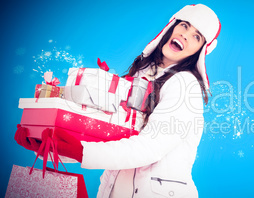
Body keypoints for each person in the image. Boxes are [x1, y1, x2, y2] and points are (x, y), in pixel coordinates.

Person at [14, 4, 221, 198]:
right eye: (184, 25)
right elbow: (107, 137)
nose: (185, 34)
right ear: (172, 28)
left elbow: (151, 147)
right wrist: (50, 147)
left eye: (196, 36)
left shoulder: (185, 84)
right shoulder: (140, 76)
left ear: (199, 51)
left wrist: (80, 151)